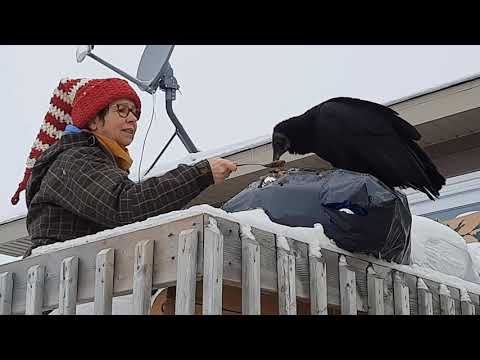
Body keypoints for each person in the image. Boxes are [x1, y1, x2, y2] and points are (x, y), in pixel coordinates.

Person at [11, 78, 237, 256]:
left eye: (135, 112)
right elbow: (125, 204)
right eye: (121, 110)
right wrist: (200, 174)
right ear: (94, 121)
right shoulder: (75, 160)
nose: (133, 119)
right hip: (59, 291)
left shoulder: (93, 160)